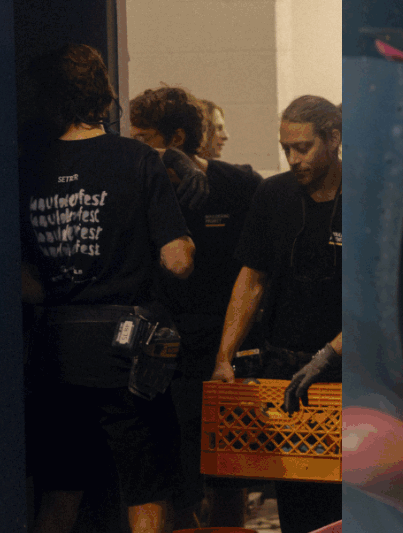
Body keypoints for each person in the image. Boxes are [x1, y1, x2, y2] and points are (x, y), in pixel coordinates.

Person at [19, 45, 195, 533]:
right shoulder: (137, 159)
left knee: (59, 496)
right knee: (146, 494)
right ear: (103, 94)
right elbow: (177, 261)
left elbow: (26, 283)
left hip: (56, 355)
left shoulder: (28, 166)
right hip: (126, 358)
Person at [126, 85, 260, 529]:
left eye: (143, 138)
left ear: (177, 138)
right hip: (169, 355)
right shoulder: (141, 191)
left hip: (229, 350)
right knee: (178, 483)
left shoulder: (237, 185)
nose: (134, 147)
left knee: (229, 479)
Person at [211, 95, 341, 533]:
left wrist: (331, 353)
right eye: (286, 148)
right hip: (287, 374)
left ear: (334, 139)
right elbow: (251, 279)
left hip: (350, 376)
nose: (293, 158)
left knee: (349, 502)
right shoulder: (274, 194)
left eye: (303, 147)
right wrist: (224, 356)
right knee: (299, 510)